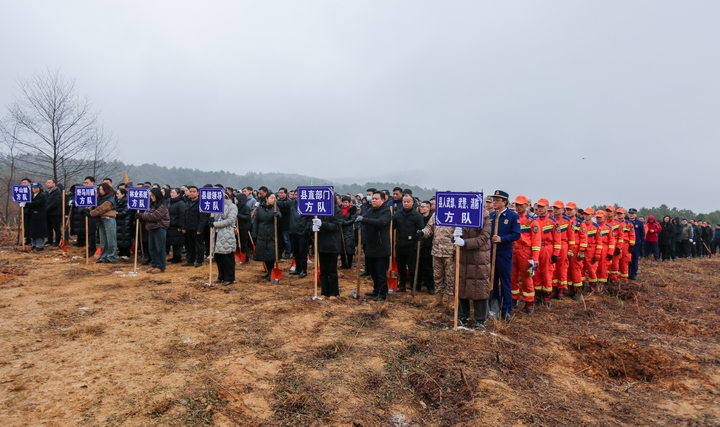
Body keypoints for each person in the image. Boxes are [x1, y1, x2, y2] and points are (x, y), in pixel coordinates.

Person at [453, 208, 492, 328]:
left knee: (479, 288)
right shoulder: (461, 217)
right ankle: (462, 315)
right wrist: (455, 236)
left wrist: (465, 242)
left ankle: (480, 319)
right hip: (463, 258)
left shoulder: (486, 219)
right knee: (462, 286)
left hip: (478, 259)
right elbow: (455, 238)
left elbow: (483, 238)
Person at [488, 190, 521, 320]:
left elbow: (516, 234)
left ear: (504, 202)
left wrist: (501, 239)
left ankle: (507, 308)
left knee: (505, 282)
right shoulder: (491, 216)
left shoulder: (512, 216)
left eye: (497, 200)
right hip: (492, 253)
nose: (494, 202)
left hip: (504, 253)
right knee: (493, 281)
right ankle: (494, 307)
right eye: (493, 200)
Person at [356, 190, 391, 301]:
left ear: (383, 200)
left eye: (376, 199)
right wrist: (358, 221)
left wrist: (364, 219)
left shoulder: (386, 211)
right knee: (373, 271)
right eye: (373, 199)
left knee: (380, 273)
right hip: (371, 246)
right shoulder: (371, 210)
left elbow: (380, 222)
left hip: (381, 247)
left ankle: (382, 293)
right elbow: (364, 218)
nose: (374, 200)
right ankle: (376, 290)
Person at [511, 195, 540, 313]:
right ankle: (514, 298)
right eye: (516, 205)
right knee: (512, 277)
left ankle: (529, 302)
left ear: (526, 206)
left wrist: (535, 258)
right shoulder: (513, 218)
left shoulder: (532, 221)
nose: (518, 207)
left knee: (526, 277)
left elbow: (536, 241)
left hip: (525, 251)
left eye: (520, 205)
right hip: (513, 250)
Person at [393, 194, 424, 292]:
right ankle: (401, 285)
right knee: (400, 266)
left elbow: (421, 231)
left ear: (412, 203)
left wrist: (419, 243)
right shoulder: (398, 214)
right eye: (404, 202)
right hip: (400, 244)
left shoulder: (417, 216)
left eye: (408, 202)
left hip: (412, 245)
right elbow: (392, 226)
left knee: (412, 268)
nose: (406, 203)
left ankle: (413, 285)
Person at [533, 198, 559, 307]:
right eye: (538, 207)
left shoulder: (553, 221)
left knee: (547, 273)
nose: (540, 209)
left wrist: (555, 254)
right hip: (536, 249)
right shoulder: (534, 220)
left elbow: (557, 239)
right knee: (537, 273)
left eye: (542, 207)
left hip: (548, 249)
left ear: (547, 207)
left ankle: (547, 297)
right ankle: (538, 295)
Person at [137, 188, 170, 273]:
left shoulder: (162, 205)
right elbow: (148, 214)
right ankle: (154, 264)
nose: (151, 197)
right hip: (151, 228)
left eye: (153, 195)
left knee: (160, 248)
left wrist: (142, 215)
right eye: (151, 195)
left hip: (160, 228)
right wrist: (144, 215)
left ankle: (161, 266)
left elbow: (155, 216)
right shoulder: (153, 205)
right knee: (152, 248)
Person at [313, 204, 342, 298]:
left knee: (332, 270)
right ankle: (324, 291)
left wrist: (322, 224)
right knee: (323, 270)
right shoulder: (320, 210)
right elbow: (314, 222)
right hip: (321, 243)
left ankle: (333, 292)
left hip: (332, 244)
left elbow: (336, 226)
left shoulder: (336, 210)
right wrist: (313, 227)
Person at [252, 192, 282, 281]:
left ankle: (271, 272)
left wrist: (278, 216)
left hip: (271, 234)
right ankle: (268, 272)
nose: (274, 200)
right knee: (263, 254)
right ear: (267, 199)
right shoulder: (260, 208)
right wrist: (254, 233)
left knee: (270, 255)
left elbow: (280, 216)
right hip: (261, 233)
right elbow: (256, 221)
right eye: (272, 198)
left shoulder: (275, 208)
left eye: (274, 198)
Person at [212, 193, 239, 285]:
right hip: (217, 233)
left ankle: (229, 278)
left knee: (227, 257)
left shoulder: (232, 207)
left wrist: (215, 224)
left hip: (227, 234)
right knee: (218, 256)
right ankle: (221, 276)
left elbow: (230, 220)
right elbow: (214, 217)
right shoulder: (217, 206)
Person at [89, 183, 118, 263]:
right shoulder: (100, 198)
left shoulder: (110, 199)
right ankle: (104, 256)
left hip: (108, 219)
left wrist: (91, 213)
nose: (101, 191)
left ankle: (111, 257)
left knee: (111, 239)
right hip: (101, 219)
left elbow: (102, 209)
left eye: (102, 189)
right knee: (103, 240)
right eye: (100, 189)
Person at [182, 186, 210, 268]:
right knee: (190, 245)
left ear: (198, 193)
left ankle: (199, 261)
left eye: (194, 191)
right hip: (188, 227)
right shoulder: (187, 202)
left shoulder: (201, 203)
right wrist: (183, 227)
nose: (191, 193)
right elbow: (184, 216)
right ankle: (190, 260)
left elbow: (203, 218)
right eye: (190, 191)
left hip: (197, 228)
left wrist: (199, 229)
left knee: (199, 245)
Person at [417, 201, 434, 294]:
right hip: (419, 246)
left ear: (428, 208)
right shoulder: (418, 218)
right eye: (420, 206)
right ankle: (417, 284)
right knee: (418, 267)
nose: (421, 208)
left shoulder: (431, 219)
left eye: (423, 207)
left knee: (428, 269)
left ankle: (430, 286)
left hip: (428, 247)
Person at [166, 188, 186, 264]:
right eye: (171, 192)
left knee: (178, 242)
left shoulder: (181, 203)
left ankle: (178, 257)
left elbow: (182, 215)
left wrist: (180, 226)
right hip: (170, 225)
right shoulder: (170, 202)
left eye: (173, 193)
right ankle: (174, 256)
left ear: (178, 194)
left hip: (177, 225)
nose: (171, 194)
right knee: (173, 241)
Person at [27, 182, 48, 251]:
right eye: (33, 187)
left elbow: (36, 203)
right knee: (33, 231)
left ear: (39, 188)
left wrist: (27, 203)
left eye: (35, 188)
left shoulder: (42, 195)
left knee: (39, 231)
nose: (34, 189)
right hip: (32, 216)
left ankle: (40, 245)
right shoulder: (32, 195)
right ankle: (34, 244)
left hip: (39, 216)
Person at [115, 188, 134, 259]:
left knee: (125, 238)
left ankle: (126, 253)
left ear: (123, 194)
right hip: (119, 222)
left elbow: (125, 212)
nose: (117, 195)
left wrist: (116, 213)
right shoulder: (118, 201)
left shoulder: (127, 201)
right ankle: (121, 252)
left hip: (125, 223)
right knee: (120, 238)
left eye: (118, 194)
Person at [339, 196, 357, 269]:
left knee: (349, 248)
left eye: (346, 202)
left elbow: (353, 220)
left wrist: (344, 222)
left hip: (349, 231)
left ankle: (349, 264)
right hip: (340, 230)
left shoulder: (352, 210)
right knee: (341, 248)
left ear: (349, 203)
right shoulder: (339, 209)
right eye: (343, 202)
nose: (344, 204)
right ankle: (343, 264)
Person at [627, 208, 645, 280]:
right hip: (627, 244)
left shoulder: (639, 223)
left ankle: (633, 273)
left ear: (636, 214)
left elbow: (642, 234)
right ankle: (627, 272)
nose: (631, 215)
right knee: (627, 259)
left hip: (636, 244)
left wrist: (642, 243)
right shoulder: (626, 222)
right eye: (630, 213)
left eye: (632, 213)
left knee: (634, 259)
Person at [236, 193, 253, 262]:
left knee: (243, 243)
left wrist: (238, 215)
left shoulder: (246, 208)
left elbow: (247, 217)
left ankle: (245, 258)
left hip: (244, 228)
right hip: (237, 227)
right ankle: (238, 257)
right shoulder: (236, 207)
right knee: (237, 242)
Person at [45, 179, 62, 246]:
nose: (48, 184)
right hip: (47, 213)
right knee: (48, 228)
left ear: (54, 184)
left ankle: (57, 241)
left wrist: (48, 208)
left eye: (49, 182)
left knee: (56, 228)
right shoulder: (46, 192)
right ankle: (50, 240)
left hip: (55, 213)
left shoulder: (57, 191)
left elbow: (56, 202)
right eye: (47, 182)